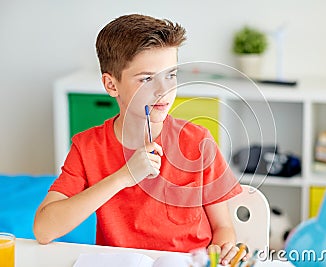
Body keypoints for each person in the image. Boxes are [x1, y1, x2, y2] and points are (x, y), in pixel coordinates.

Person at [34, 14, 247, 265]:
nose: (163, 90)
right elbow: (44, 230)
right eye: (147, 79)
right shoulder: (87, 147)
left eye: (171, 75)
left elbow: (222, 227)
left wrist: (225, 248)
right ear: (111, 85)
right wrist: (125, 176)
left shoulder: (197, 141)